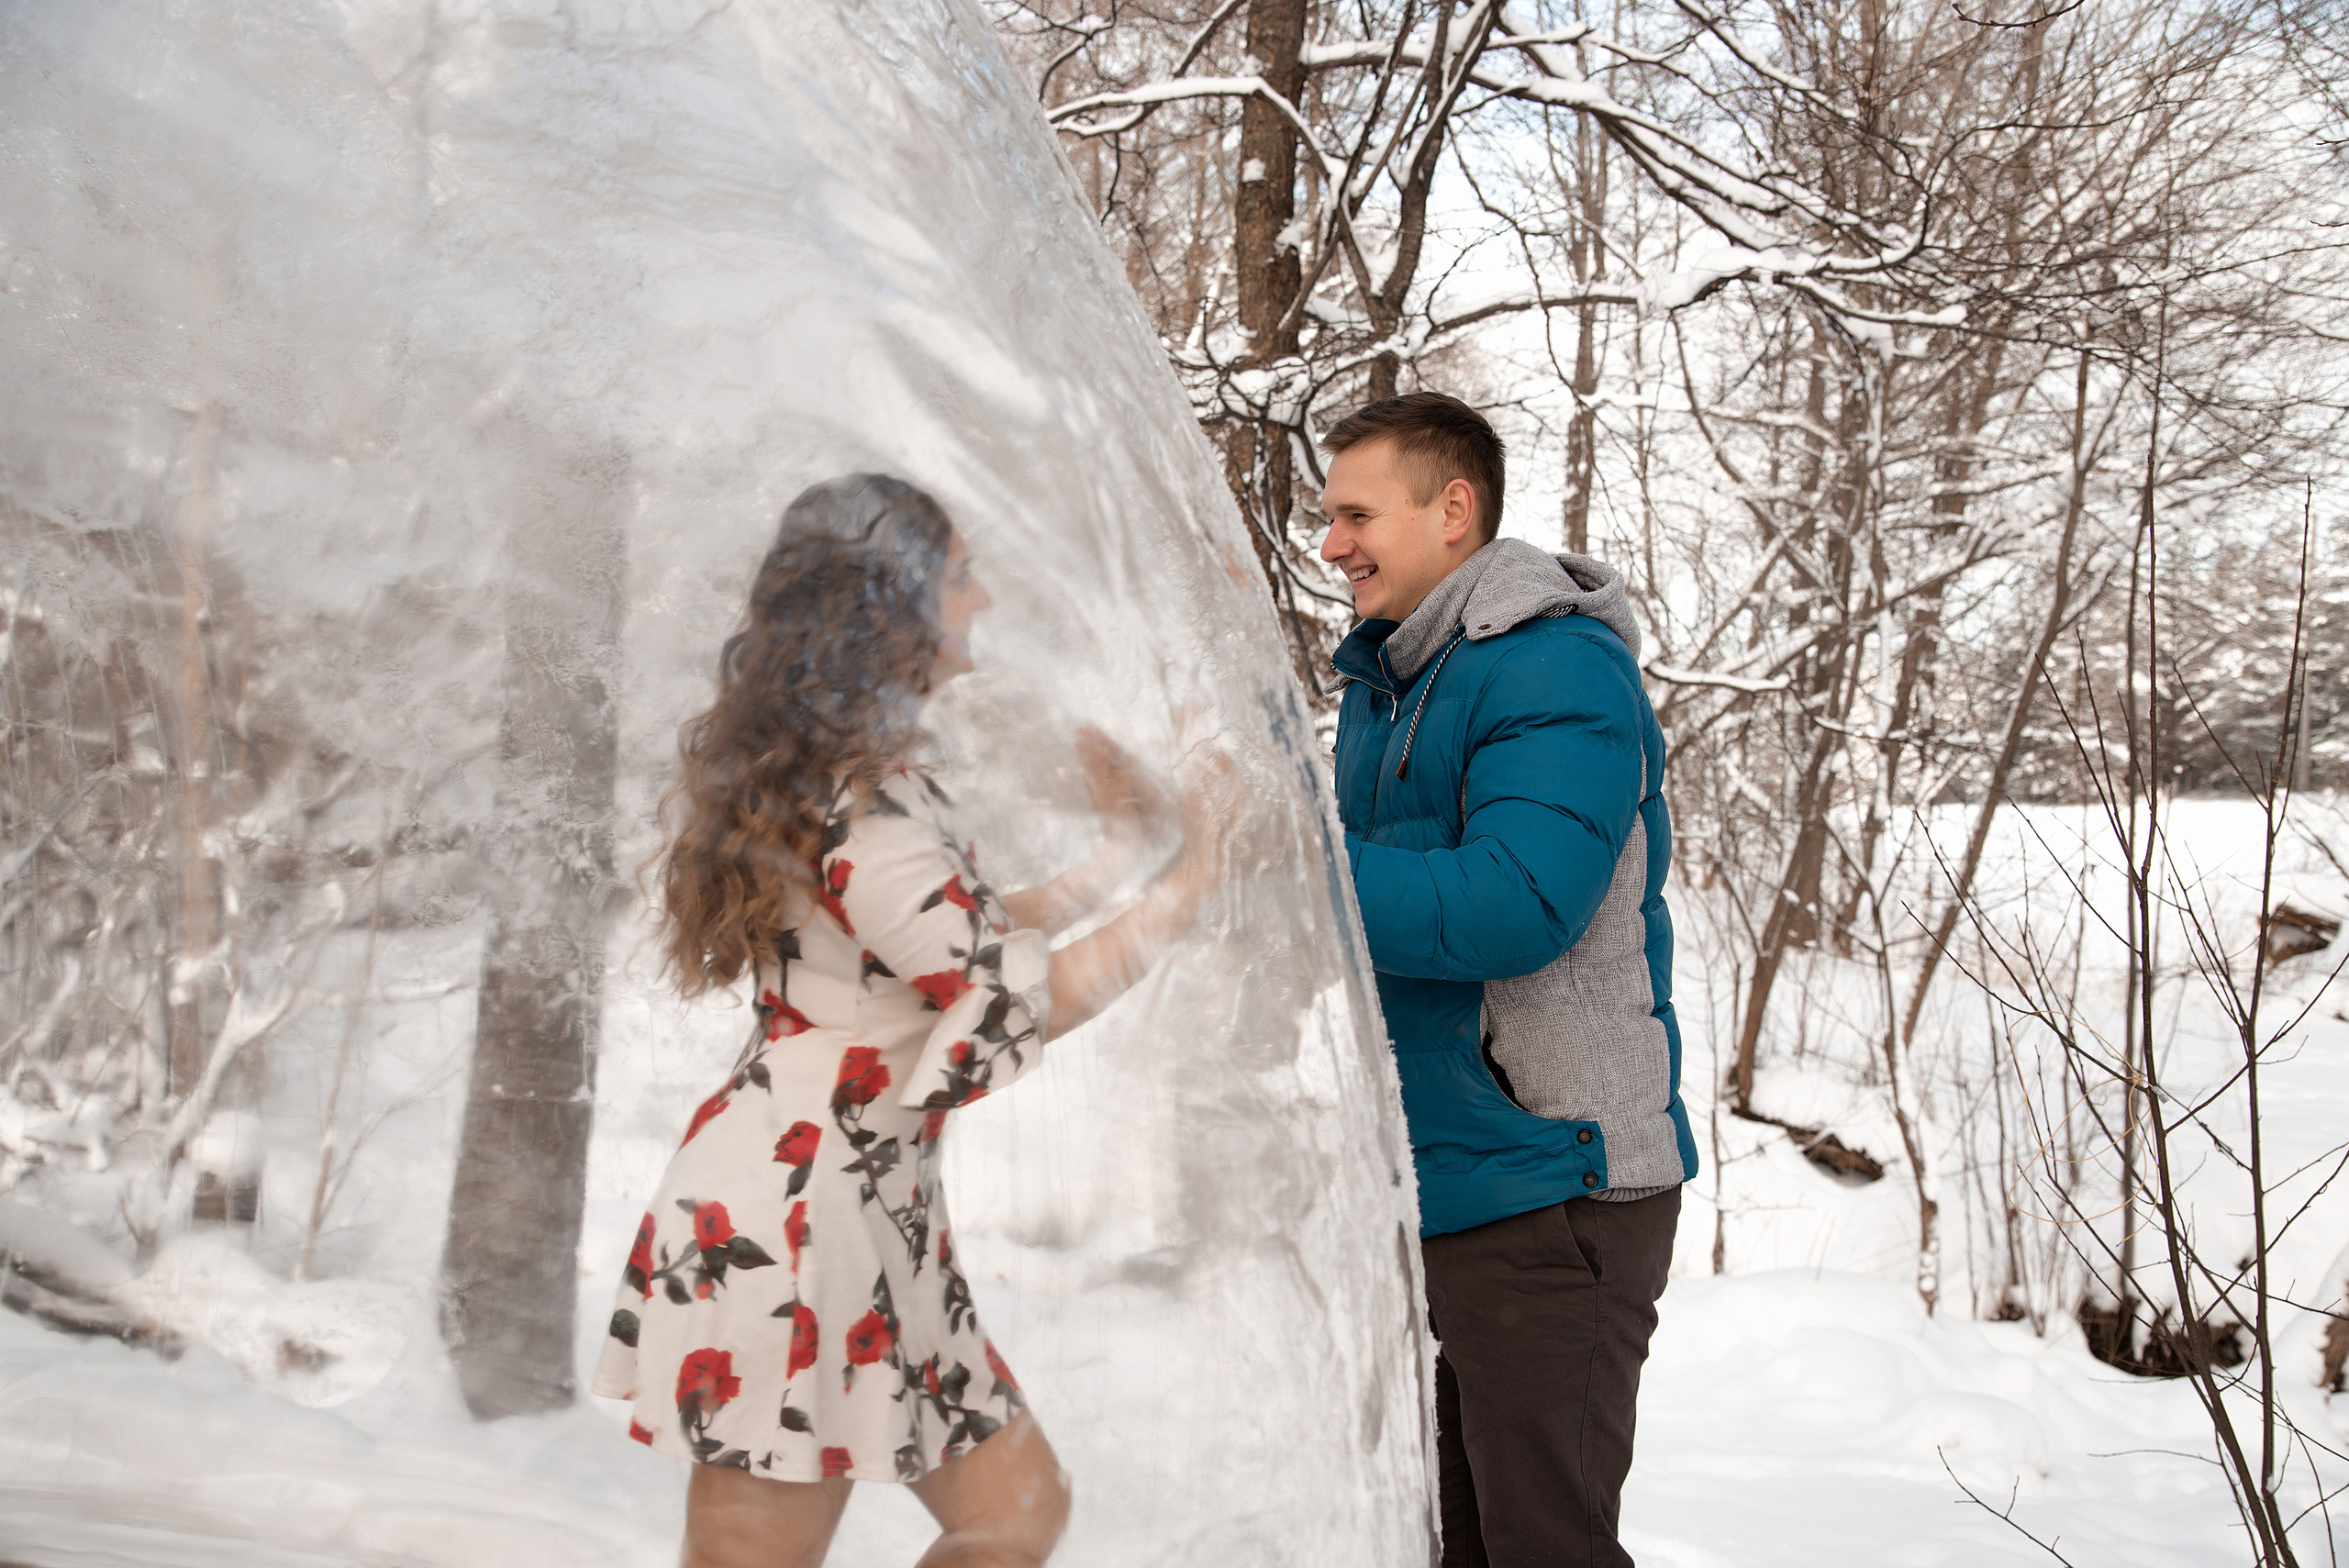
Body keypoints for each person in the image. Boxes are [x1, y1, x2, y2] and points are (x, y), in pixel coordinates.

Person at [594, 473, 1225, 1568]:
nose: (983, 599)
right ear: (890, 603)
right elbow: (1008, 997)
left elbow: (950, 939)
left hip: (860, 1204)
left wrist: (1122, 856)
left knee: (1015, 1512)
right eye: (961, 576)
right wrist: (1193, 882)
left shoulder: (855, 789)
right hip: (799, 1219)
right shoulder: (862, 806)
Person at [1317, 393, 1696, 1568]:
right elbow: (1371, 912)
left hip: (1553, 1177)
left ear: (1452, 509)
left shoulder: (1552, 668)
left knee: (1544, 1546)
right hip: (1454, 1174)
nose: (1330, 542)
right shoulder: (1395, 684)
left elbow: (1513, 902)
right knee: (1458, 1543)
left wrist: (1287, 855)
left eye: (1356, 514)